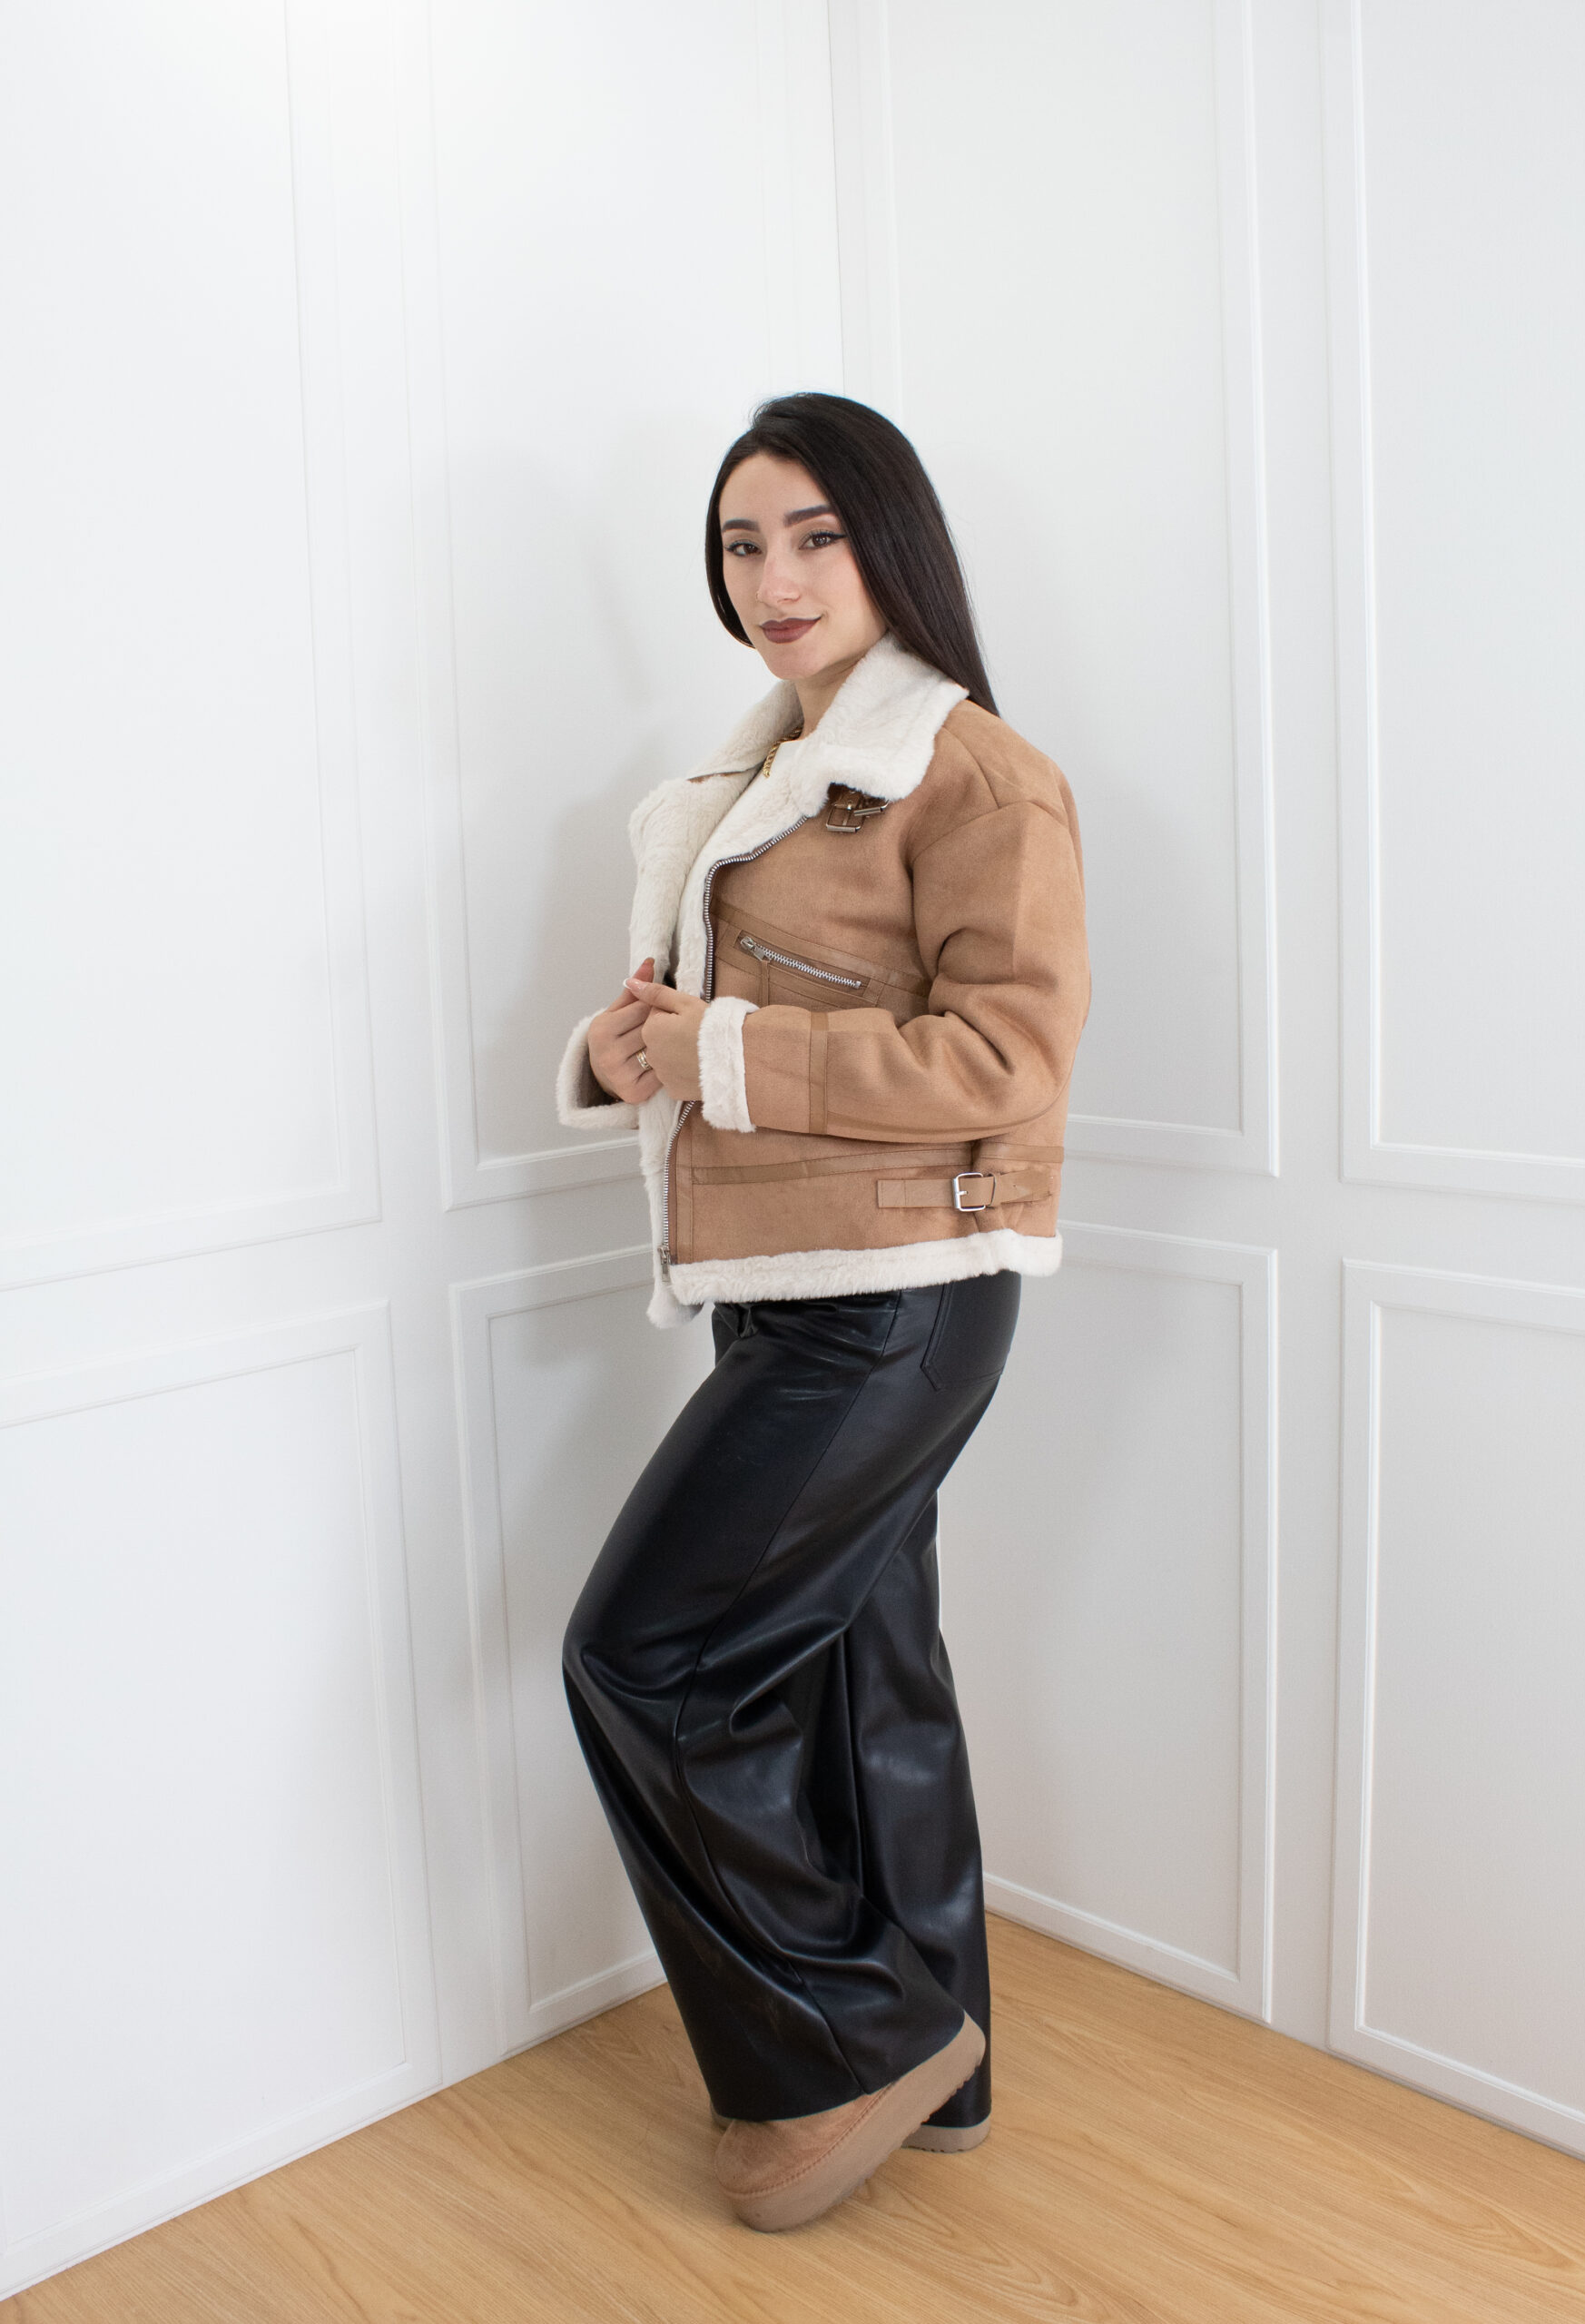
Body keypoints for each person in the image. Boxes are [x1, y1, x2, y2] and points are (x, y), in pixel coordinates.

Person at [554, 391, 1089, 2231]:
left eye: (812, 535)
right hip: (792, 1283)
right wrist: (633, 1045)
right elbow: (724, 1018)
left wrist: (721, 1046)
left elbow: (1005, 1059)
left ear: (890, 543)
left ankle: (847, 2042)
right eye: (739, 543)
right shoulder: (760, 771)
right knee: (871, 1670)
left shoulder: (976, 773)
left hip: (898, 1298)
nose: (771, 578)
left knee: (644, 1658)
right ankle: (943, 2058)